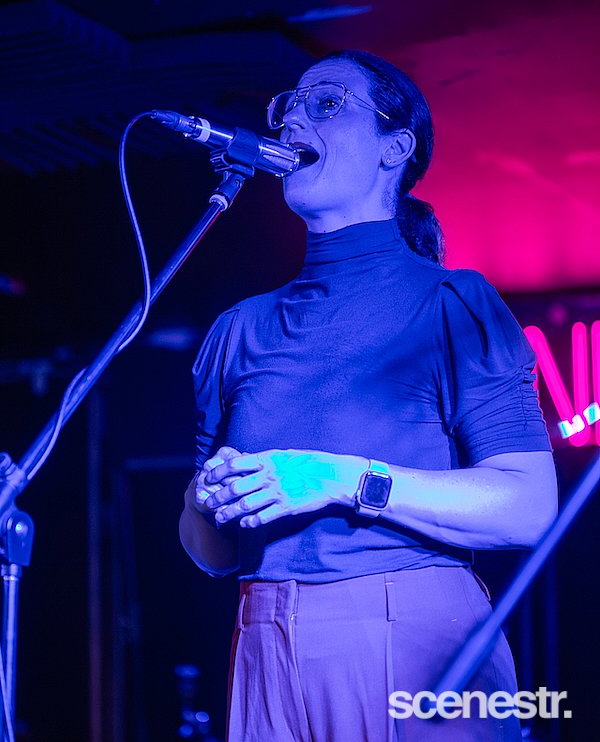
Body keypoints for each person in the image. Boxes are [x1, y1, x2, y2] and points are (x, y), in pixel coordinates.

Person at [179, 50, 557, 742]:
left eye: (326, 103)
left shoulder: (451, 304)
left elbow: (528, 507)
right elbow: (215, 552)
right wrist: (204, 500)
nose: (293, 118)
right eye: (288, 105)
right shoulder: (238, 330)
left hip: (412, 634)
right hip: (261, 641)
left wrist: (341, 479)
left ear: (394, 148)